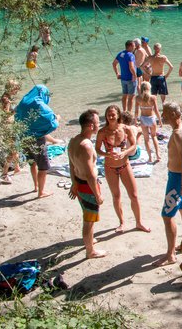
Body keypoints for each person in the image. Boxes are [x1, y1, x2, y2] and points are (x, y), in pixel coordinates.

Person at [154, 101, 182, 267]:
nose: (162, 115)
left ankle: (170, 254)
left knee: (167, 215)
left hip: (177, 179)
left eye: (164, 112)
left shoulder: (178, 133)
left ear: (173, 115)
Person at [96, 105, 150, 233]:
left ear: (118, 115)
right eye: (108, 114)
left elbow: (134, 145)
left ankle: (139, 222)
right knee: (116, 196)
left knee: (134, 195)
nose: (111, 116)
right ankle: (122, 223)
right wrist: (107, 154)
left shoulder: (125, 129)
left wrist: (124, 152)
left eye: (113, 114)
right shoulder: (102, 132)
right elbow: (97, 149)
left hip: (125, 165)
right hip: (109, 167)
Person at [68, 109, 107, 259]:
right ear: (91, 125)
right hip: (88, 186)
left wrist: (73, 183)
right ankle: (90, 251)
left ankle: (89, 240)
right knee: (89, 220)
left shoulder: (73, 141)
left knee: (87, 214)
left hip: (79, 183)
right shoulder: (87, 146)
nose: (99, 125)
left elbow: (71, 165)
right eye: (98, 122)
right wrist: (98, 195)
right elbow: (91, 175)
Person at [15, 85, 59, 199]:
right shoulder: (40, 104)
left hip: (24, 138)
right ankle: (41, 192)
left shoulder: (24, 101)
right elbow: (51, 122)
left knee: (32, 162)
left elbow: (17, 116)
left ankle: (36, 186)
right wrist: (57, 119)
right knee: (43, 167)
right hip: (37, 140)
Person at [0, 80, 21, 183]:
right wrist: (16, 110)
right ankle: (4, 174)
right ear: (11, 88)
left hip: (11, 126)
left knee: (15, 148)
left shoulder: (6, 97)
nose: (17, 91)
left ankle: (17, 168)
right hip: (8, 127)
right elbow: (6, 115)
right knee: (12, 151)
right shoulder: (6, 100)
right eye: (16, 88)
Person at [135, 81, 162, 163]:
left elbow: (136, 112)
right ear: (149, 88)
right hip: (151, 119)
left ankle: (150, 157)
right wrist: (160, 120)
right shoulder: (153, 97)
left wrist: (135, 120)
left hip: (143, 119)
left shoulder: (138, 98)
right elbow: (156, 111)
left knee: (146, 139)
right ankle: (158, 156)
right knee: (154, 137)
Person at [112, 40, 137, 113]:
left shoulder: (120, 54)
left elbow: (114, 64)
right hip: (130, 79)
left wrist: (117, 73)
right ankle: (129, 113)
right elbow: (131, 67)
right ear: (130, 46)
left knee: (124, 95)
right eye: (133, 45)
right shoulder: (130, 55)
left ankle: (124, 111)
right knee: (131, 97)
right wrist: (135, 75)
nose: (135, 47)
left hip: (123, 79)